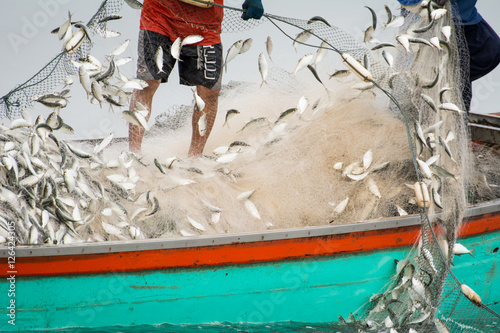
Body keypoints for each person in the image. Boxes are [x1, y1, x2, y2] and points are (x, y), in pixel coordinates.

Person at [128, 0, 264, 157]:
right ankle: (134, 155)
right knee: (147, 83)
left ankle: (194, 158)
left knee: (210, 91)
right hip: (160, 15)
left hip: (206, 26)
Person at [398, 0, 500, 111]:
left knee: (491, 50)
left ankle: (446, 86)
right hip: (426, 20)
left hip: (463, 18)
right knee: (414, 81)